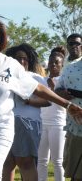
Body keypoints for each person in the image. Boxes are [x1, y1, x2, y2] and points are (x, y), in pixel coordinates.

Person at [0, 16, 82, 181]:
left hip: (0, 127)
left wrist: (67, 105)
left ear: (2, 40)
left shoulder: (10, 65)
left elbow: (37, 88)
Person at [2, 43, 51, 181]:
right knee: (7, 162)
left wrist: (29, 101)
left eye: (25, 59)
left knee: (26, 163)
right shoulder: (6, 76)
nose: (22, 61)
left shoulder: (36, 78)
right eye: (18, 58)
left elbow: (48, 101)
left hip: (28, 124)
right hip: (6, 122)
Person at [37, 46, 67, 181]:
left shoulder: (64, 81)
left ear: (62, 65)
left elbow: (64, 102)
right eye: (51, 62)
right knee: (41, 161)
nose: (53, 65)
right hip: (42, 124)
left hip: (58, 124)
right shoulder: (42, 80)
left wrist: (53, 88)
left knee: (58, 161)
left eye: (57, 63)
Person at [55, 45, 82, 180]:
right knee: (76, 174)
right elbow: (57, 90)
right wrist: (63, 94)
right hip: (76, 127)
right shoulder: (70, 68)